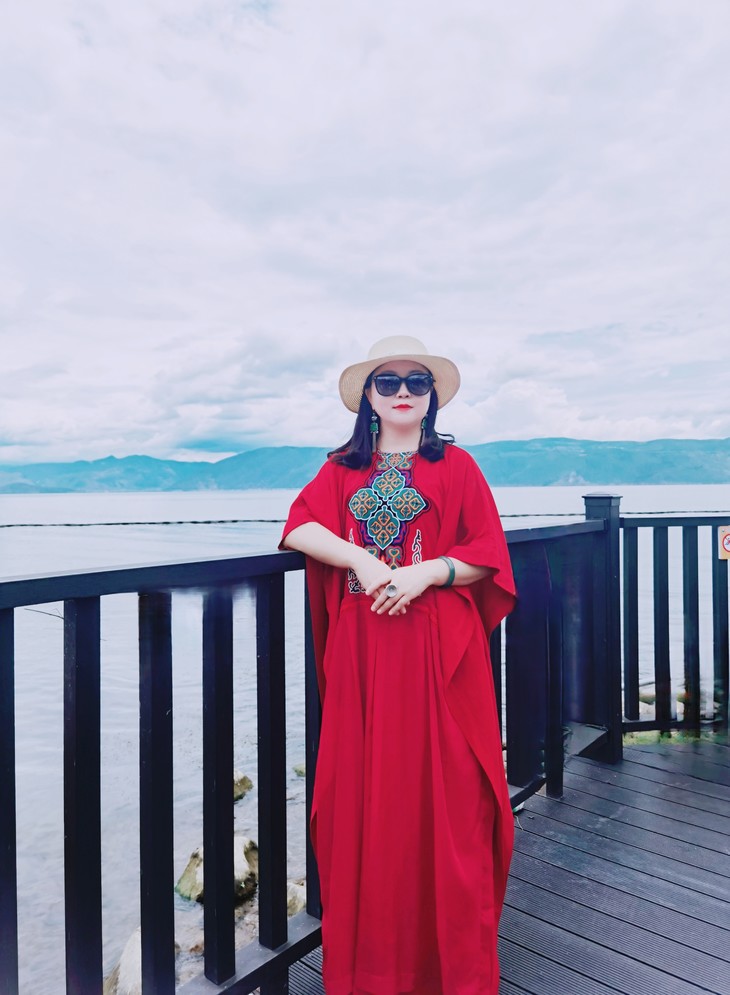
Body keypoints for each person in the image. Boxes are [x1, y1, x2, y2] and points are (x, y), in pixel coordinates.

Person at [280, 335, 516, 995]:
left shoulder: (457, 466)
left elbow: (488, 554)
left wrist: (429, 571)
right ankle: (375, 973)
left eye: (417, 380)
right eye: (388, 381)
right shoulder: (341, 470)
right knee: (368, 807)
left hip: (439, 657)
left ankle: (454, 972)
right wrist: (360, 558)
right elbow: (299, 526)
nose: (404, 391)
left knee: (452, 802)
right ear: (369, 396)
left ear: (432, 395)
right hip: (365, 658)